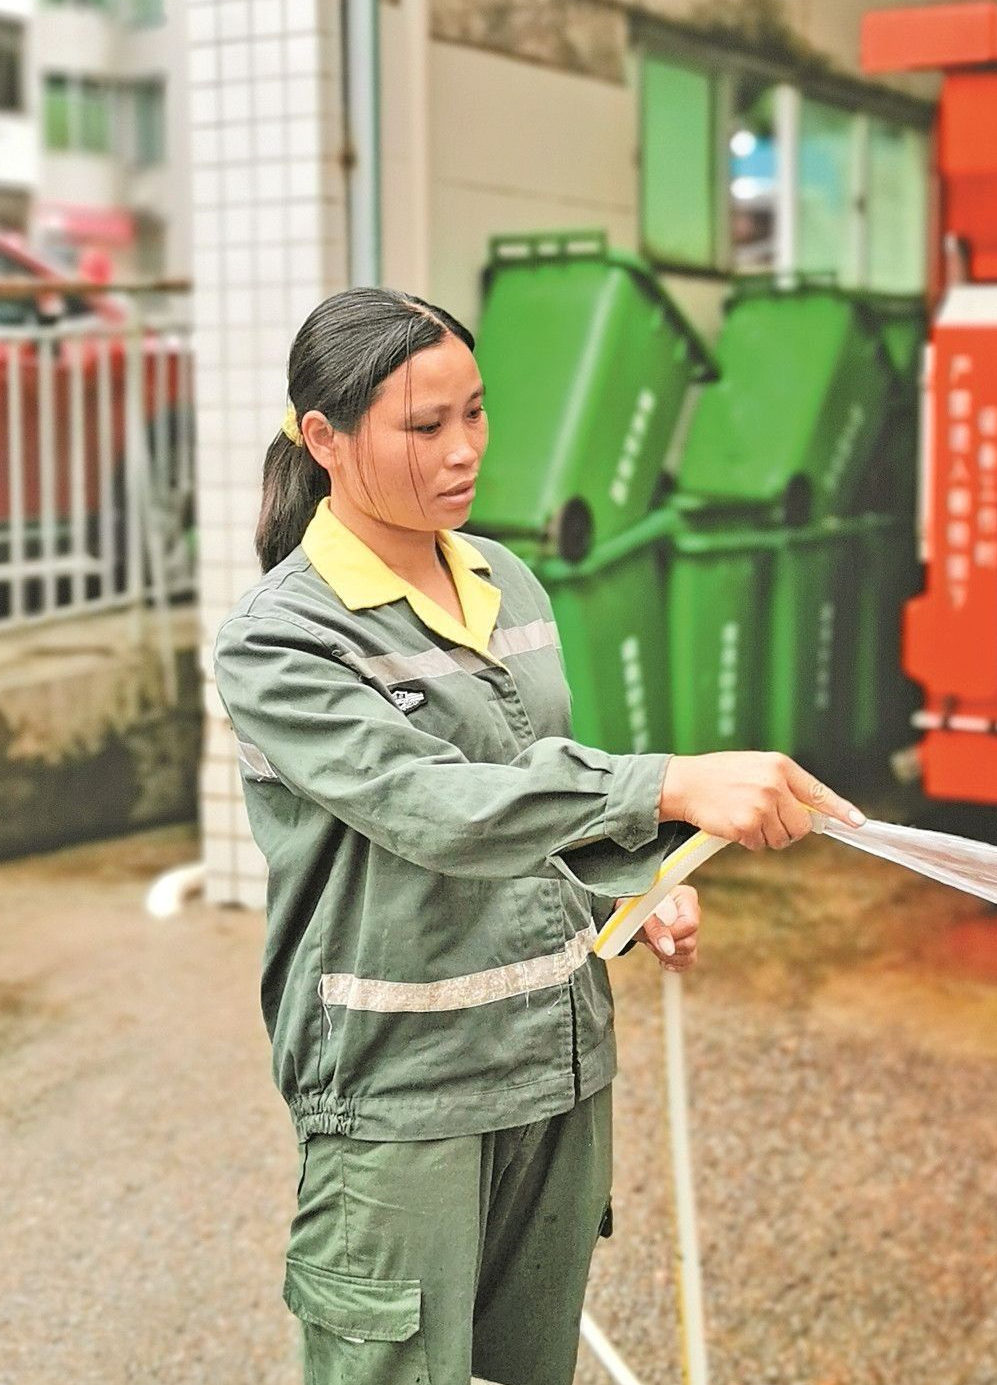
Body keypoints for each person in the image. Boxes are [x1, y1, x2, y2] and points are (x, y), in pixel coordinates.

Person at [212, 286, 865, 1385]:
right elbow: (429, 806)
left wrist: (636, 881)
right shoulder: (280, 639)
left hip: (555, 1063)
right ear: (323, 440)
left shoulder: (501, 578)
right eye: (425, 428)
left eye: (476, 412)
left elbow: (529, 787)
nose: (464, 450)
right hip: (401, 1088)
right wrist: (665, 786)